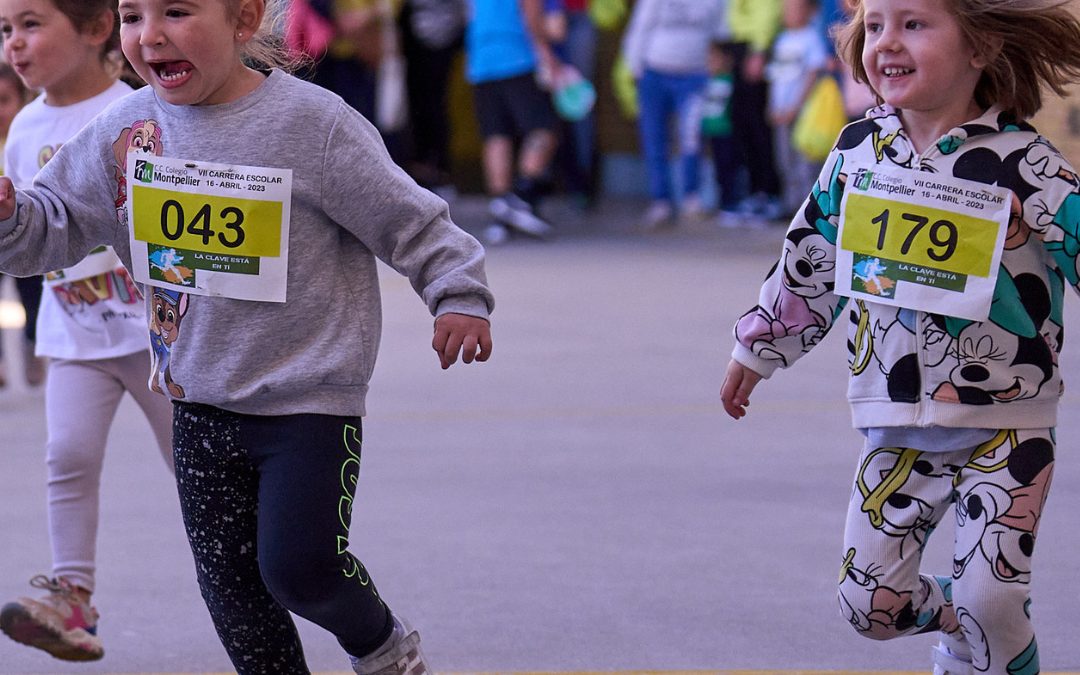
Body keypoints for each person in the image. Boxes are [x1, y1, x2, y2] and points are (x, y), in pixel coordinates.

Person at [0, 0, 494, 673]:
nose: (151, 35)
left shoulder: (313, 125)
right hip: (197, 397)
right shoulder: (125, 128)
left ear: (244, 19)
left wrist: (457, 292)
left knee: (298, 567)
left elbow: (411, 221)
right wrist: (9, 215)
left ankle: (379, 641)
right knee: (233, 593)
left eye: (175, 11)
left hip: (306, 397)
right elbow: (48, 227)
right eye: (133, 14)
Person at [721, 0, 1080, 673]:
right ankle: (960, 619)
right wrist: (759, 346)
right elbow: (811, 254)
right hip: (896, 421)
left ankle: (987, 632)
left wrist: (1031, 228)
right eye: (877, 25)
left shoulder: (1024, 163)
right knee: (870, 605)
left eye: (914, 24)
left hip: (1008, 422)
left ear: (979, 46)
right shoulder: (857, 151)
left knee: (995, 597)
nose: (887, 42)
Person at [0, 0, 176, 662]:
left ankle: (249, 572)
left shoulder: (138, 111)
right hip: (73, 332)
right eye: (5, 30)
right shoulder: (22, 127)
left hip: (157, 334)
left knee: (195, 469)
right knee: (67, 456)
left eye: (31, 25)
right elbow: (23, 239)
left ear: (98, 28)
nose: (14, 44)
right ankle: (73, 598)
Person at [621, 0, 728, 228]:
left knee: (691, 137)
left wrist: (716, 64)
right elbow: (640, 26)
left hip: (695, 75)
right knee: (654, 138)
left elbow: (721, 32)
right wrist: (635, 69)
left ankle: (691, 197)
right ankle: (660, 201)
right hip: (654, 72)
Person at [465, 0, 561, 243]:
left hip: (481, 60)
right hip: (517, 55)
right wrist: (545, 51)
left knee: (496, 135)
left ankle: (500, 207)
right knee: (543, 128)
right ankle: (523, 198)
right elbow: (531, 10)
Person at [0, 60, 42, 389]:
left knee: (32, 295)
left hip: (25, 230)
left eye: (3, 100)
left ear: (22, 99)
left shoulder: (29, 134)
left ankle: (33, 344)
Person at [765, 0, 827, 218]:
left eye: (795, 8)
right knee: (784, 159)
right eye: (787, 8)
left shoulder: (811, 38)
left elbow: (813, 74)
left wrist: (796, 106)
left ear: (809, 11)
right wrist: (772, 106)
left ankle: (808, 209)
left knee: (804, 162)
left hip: (802, 112)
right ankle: (790, 205)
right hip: (780, 111)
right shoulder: (782, 39)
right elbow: (775, 77)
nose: (790, 13)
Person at [726, 0, 783, 221]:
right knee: (741, 122)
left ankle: (769, 193)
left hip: (756, 47)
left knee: (757, 124)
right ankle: (754, 191)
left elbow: (768, 10)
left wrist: (759, 49)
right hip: (739, 44)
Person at [701, 40, 740, 221]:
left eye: (716, 58)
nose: (712, 62)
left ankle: (729, 203)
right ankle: (715, 202)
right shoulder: (704, 81)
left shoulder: (731, 81)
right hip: (709, 132)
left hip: (726, 132)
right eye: (710, 58)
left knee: (727, 169)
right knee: (714, 170)